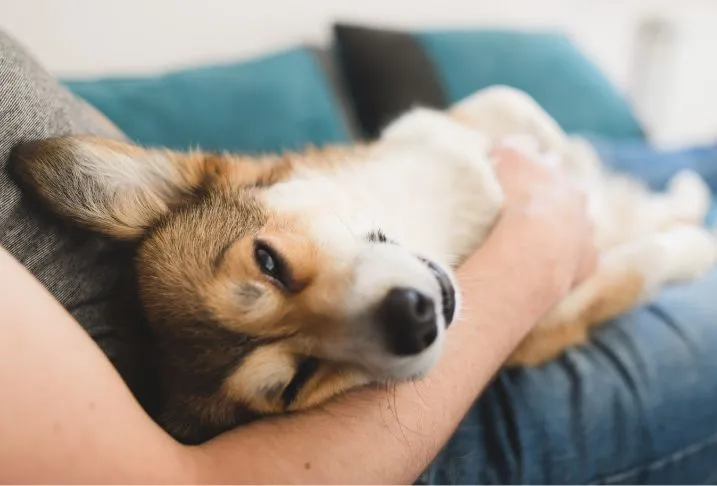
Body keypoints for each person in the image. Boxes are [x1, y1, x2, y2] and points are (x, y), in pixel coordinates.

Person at [2, 29, 717, 484]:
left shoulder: (215, 209)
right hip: (411, 428)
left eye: (275, 268)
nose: (378, 321)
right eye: (298, 375)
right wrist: (538, 254)